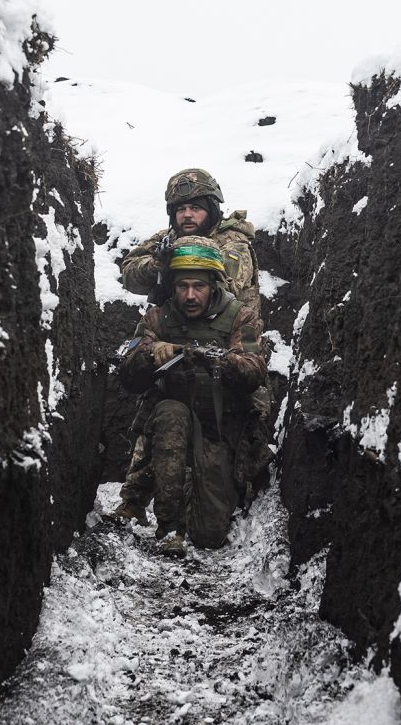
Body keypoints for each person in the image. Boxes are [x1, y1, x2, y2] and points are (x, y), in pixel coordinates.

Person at [114, 238, 267, 554]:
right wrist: (151, 354)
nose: (190, 295)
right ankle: (169, 525)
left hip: (219, 427)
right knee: (171, 412)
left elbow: (254, 371)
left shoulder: (240, 316)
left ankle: (194, 501)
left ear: (214, 285)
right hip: (171, 416)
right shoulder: (159, 317)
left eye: (199, 286)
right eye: (182, 286)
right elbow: (127, 375)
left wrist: (220, 360)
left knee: (209, 535)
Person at [120, 168, 260, 314]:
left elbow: (224, 294)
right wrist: (154, 266)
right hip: (172, 329)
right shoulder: (167, 238)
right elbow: (129, 277)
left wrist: (171, 270)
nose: (187, 215)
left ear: (211, 210)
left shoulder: (234, 244)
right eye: (181, 209)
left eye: (195, 208)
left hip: (229, 333)